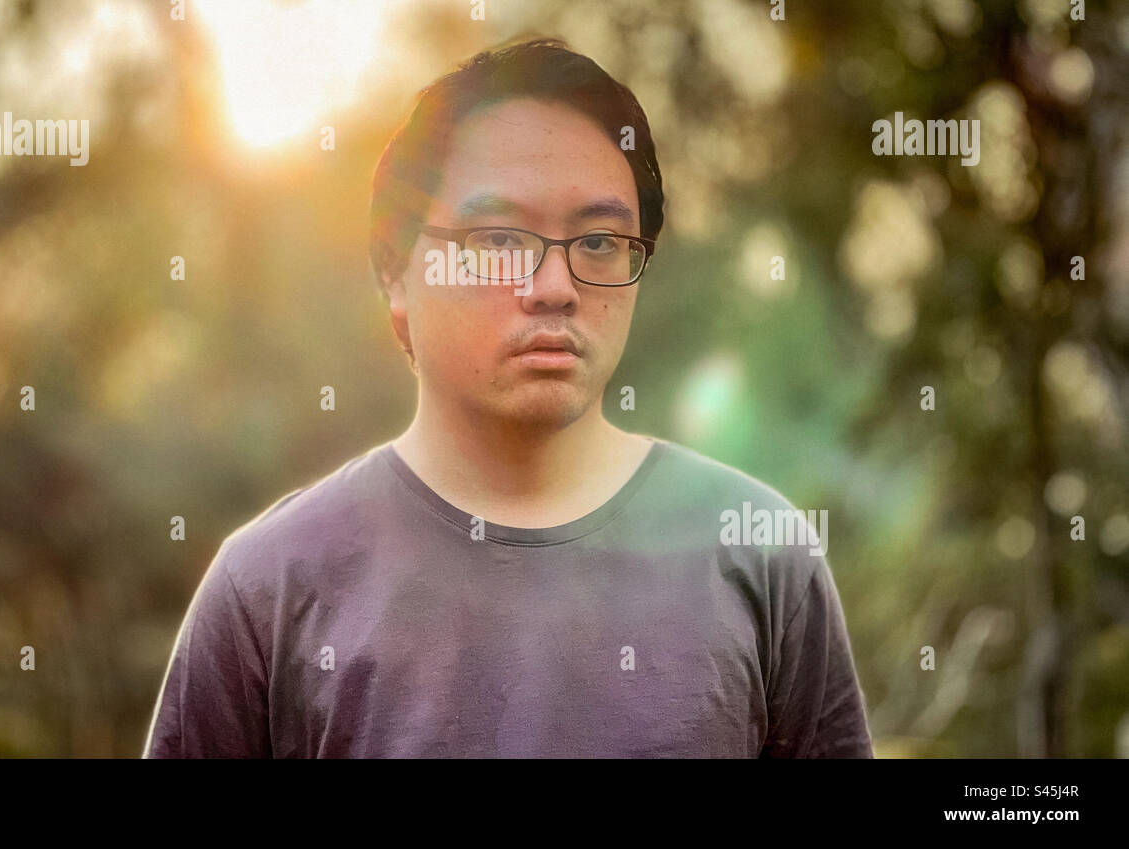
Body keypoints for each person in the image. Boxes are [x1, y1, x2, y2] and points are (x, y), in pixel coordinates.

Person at [143, 37, 874, 758]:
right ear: (396, 271)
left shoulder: (759, 555)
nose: (554, 287)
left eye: (597, 242)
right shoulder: (269, 588)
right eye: (498, 239)